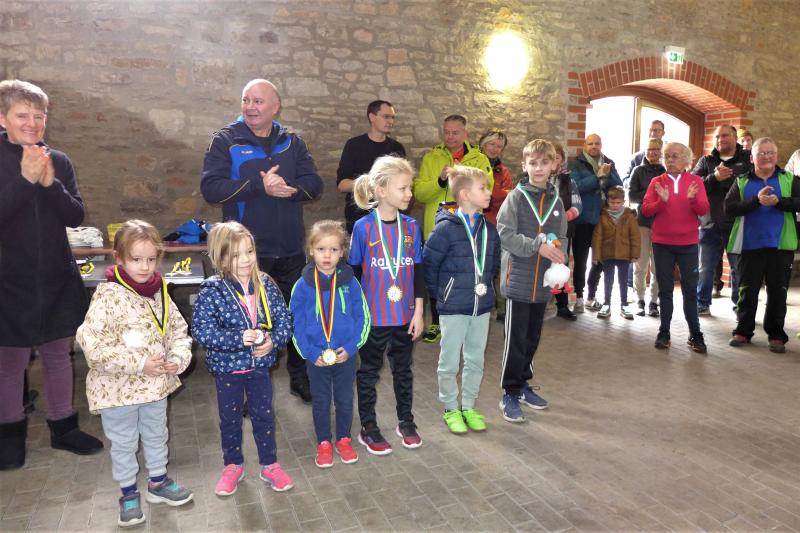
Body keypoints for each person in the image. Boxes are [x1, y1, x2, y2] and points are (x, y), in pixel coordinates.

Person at [0, 79, 103, 470]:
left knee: (58, 355)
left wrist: (49, 184)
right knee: (9, 362)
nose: (32, 123)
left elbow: (74, 215)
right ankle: (9, 437)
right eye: (22, 115)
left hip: (55, 276)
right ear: (3, 118)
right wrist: (25, 181)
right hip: (8, 279)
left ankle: (64, 428)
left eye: (38, 116)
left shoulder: (57, 159)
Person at [201, 78, 323, 403]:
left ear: (275, 107)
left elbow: (315, 184)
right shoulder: (225, 141)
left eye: (258, 101)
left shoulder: (292, 142)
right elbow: (211, 189)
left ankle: (300, 378)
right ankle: (244, 389)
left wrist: (289, 189)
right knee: (246, 321)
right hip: (245, 256)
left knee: (297, 316)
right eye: (246, 100)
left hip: (290, 250)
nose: (250, 107)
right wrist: (260, 186)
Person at [75, 220, 194, 527]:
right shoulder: (108, 295)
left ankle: (158, 482)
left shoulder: (160, 292)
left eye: (151, 259)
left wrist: (178, 358)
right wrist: (139, 364)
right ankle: (128, 492)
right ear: (119, 258)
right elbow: (91, 344)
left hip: (155, 387)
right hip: (118, 391)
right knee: (124, 442)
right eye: (136, 259)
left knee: (157, 434)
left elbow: (179, 331)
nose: (144, 266)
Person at [192, 222, 295, 495]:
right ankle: (233, 466)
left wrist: (273, 342)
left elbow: (284, 320)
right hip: (228, 370)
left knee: (264, 416)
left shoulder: (266, 284)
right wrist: (237, 339)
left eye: (250, 251)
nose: (246, 259)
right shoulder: (212, 290)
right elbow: (201, 331)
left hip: (259, 368)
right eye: (236, 255)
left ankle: (269, 465)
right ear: (221, 258)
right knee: (230, 419)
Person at [349, 155, 425, 454]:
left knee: (403, 370)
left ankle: (406, 421)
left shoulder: (412, 227)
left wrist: (419, 312)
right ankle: (368, 427)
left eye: (410, 188)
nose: (409, 194)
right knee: (369, 372)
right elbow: (353, 275)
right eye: (403, 188)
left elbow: (418, 272)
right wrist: (356, 316)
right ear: (381, 190)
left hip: (405, 316)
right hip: (374, 318)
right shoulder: (363, 228)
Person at [423, 166, 501, 434]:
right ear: (465, 194)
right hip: (453, 307)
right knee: (449, 361)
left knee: (475, 358)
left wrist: (484, 288)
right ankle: (450, 408)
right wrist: (443, 295)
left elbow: (492, 264)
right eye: (483, 188)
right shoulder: (445, 229)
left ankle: (468, 406)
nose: (489, 192)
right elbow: (429, 266)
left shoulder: (489, 229)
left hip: (481, 306)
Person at [289, 220, 370, 468]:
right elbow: (295, 324)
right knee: (321, 401)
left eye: (334, 249)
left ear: (342, 252)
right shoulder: (302, 285)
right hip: (316, 358)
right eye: (321, 249)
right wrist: (310, 352)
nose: (327, 255)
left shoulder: (351, 282)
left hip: (345, 355)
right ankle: (324, 442)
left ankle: (344, 439)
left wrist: (352, 347)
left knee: (345, 399)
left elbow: (363, 318)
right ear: (311, 250)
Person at [497, 139, 566, 423]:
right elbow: (504, 233)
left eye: (544, 163)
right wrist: (537, 246)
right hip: (519, 279)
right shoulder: (516, 197)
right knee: (515, 340)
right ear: (524, 166)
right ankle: (509, 392)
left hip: (543, 282)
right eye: (533, 163)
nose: (539, 168)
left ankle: (523, 384)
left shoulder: (556, 201)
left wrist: (560, 257)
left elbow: (561, 237)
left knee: (532, 337)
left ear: (554, 165)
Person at [414, 115, 493, 343]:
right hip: (438, 228)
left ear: (465, 133)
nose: (450, 136)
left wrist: (464, 177)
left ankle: (466, 320)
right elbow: (419, 193)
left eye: (455, 132)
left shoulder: (479, 159)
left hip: (469, 230)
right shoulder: (432, 157)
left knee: (465, 275)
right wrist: (440, 180)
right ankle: (437, 322)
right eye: (446, 132)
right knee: (437, 275)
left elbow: (488, 187)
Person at [724, 138, 800, 353]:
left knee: (778, 292)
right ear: (752, 158)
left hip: (780, 245)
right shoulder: (741, 181)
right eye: (761, 153)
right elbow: (729, 208)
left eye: (770, 153)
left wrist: (779, 202)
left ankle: (776, 335)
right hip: (749, 245)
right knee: (746, 292)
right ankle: (743, 331)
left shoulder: (790, 179)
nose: (766, 157)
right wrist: (756, 201)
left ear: (777, 156)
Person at [642, 142, 710, 353]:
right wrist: (661, 202)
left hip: (688, 244)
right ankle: (664, 332)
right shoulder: (657, 182)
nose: (670, 160)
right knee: (665, 291)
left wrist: (692, 200)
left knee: (690, 291)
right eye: (667, 156)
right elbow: (646, 210)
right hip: (662, 244)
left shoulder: (696, 181)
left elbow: (704, 209)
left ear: (686, 160)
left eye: (675, 156)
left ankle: (695, 334)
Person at [691, 125, 751, 316]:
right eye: (717, 136)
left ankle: (740, 306)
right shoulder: (706, 160)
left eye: (725, 135)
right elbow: (692, 185)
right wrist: (714, 178)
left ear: (734, 137)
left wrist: (730, 180)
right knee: (705, 268)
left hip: (737, 224)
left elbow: (753, 184)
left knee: (738, 269)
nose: (720, 139)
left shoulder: (747, 159)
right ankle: (702, 304)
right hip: (709, 223)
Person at [568, 134, 623, 313]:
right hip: (582, 220)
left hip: (603, 219)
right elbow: (576, 187)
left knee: (601, 260)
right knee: (581, 261)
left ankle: (591, 296)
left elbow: (618, 186)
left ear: (601, 145)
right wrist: (597, 176)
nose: (594, 146)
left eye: (597, 143)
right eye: (590, 143)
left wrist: (608, 174)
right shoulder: (575, 164)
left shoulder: (608, 162)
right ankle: (579, 296)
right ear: (584, 145)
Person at [336, 100, 406, 233]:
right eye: (386, 116)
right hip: (359, 217)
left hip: (390, 217)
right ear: (372, 117)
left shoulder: (397, 148)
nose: (391, 121)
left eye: (392, 117)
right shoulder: (354, 145)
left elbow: (404, 184)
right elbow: (342, 185)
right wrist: (370, 183)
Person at [478, 129, 513, 322]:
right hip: (478, 224)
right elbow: (480, 197)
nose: (494, 149)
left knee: (499, 268)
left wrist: (492, 194)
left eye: (499, 146)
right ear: (483, 144)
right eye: (491, 144)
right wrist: (498, 193)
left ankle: (501, 308)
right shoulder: (475, 166)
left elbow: (508, 198)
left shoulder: (504, 171)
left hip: (498, 225)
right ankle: (484, 305)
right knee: (482, 268)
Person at [627, 138, 665, 317]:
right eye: (649, 149)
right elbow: (631, 196)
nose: (652, 152)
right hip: (642, 222)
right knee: (640, 265)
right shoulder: (638, 170)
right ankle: (640, 299)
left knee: (657, 267)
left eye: (656, 149)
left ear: (661, 151)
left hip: (662, 224)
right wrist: (652, 192)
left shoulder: (665, 171)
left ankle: (654, 302)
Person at [591, 187, 640, 319]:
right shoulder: (603, 216)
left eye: (618, 203)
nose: (615, 205)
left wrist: (635, 255)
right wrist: (595, 256)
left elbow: (635, 237)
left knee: (623, 281)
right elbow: (597, 237)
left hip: (624, 255)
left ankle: (624, 305)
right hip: (608, 255)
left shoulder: (630, 216)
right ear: (608, 201)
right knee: (608, 280)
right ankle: (606, 304)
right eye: (612, 203)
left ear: (623, 202)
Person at [549, 143, 582, 321]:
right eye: (550, 157)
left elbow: (578, 206)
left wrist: (563, 217)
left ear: (562, 160)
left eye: (557, 157)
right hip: (540, 231)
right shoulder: (538, 179)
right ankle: (538, 303)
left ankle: (562, 305)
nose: (553, 161)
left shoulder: (570, 182)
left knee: (560, 266)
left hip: (562, 231)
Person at [622, 120, 666, 185]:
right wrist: (637, 180)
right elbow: (625, 181)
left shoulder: (669, 156)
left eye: (656, 130)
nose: (652, 133)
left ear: (663, 133)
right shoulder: (636, 158)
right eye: (650, 130)